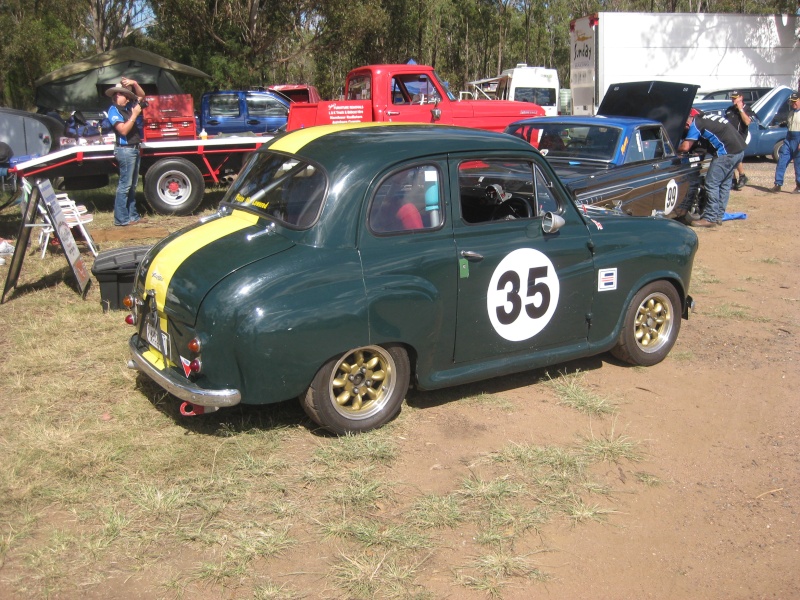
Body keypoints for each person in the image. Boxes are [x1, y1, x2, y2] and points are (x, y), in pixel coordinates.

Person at [678, 109, 745, 228]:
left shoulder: (695, 125)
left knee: (711, 183)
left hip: (726, 153)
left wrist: (675, 151)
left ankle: (710, 218)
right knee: (724, 184)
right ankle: (719, 215)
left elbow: (685, 147)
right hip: (739, 150)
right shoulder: (706, 116)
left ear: (687, 124)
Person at [106, 78, 147, 226]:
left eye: (122, 94)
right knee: (125, 185)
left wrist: (135, 83)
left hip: (134, 149)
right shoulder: (113, 111)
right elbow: (122, 130)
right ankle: (121, 219)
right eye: (116, 94)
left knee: (132, 185)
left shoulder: (129, 107)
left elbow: (142, 96)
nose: (119, 96)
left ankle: (132, 216)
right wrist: (135, 115)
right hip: (125, 150)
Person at [724, 91, 755, 190]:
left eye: (735, 98)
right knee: (729, 158)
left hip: (740, 137)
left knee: (735, 156)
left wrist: (741, 109)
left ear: (741, 97)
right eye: (732, 98)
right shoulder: (730, 110)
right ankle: (733, 180)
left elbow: (747, 122)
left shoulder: (747, 109)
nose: (733, 100)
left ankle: (742, 176)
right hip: (729, 137)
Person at [770, 92, 800, 194]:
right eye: (792, 102)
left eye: (795, 101)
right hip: (789, 137)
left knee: (798, 163)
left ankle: (799, 186)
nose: (793, 104)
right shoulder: (791, 112)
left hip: (798, 138)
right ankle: (778, 184)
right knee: (782, 160)